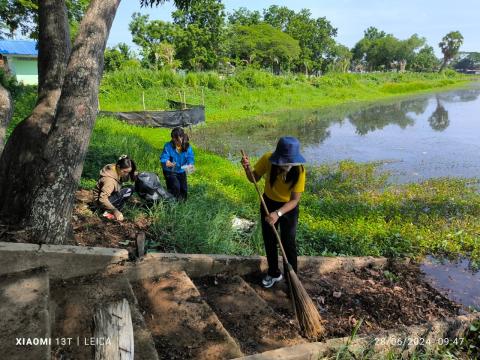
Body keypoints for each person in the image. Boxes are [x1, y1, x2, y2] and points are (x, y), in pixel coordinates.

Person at [241, 137, 306, 288]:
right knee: (269, 240)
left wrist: (278, 214)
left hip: (288, 208)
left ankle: (292, 281)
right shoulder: (268, 159)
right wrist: (247, 168)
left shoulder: (300, 171)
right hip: (268, 203)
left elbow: (295, 200)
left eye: (288, 162)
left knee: (288, 243)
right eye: (283, 161)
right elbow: (254, 179)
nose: (285, 165)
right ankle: (273, 273)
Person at [93, 155, 137, 221]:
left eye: (128, 172)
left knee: (131, 188)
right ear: (119, 167)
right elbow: (102, 199)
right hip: (100, 204)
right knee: (128, 190)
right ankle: (105, 211)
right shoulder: (109, 181)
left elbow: (126, 177)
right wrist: (115, 211)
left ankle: (112, 209)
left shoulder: (115, 168)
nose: (126, 174)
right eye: (125, 172)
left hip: (109, 197)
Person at [160, 127, 195, 200]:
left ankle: (182, 204)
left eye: (176, 139)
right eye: (173, 139)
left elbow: (190, 157)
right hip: (170, 171)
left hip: (181, 170)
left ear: (182, 137)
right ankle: (172, 202)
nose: (175, 141)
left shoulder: (187, 147)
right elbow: (164, 157)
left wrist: (190, 165)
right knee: (175, 187)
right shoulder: (168, 146)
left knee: (184, 189)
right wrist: (166, 162)